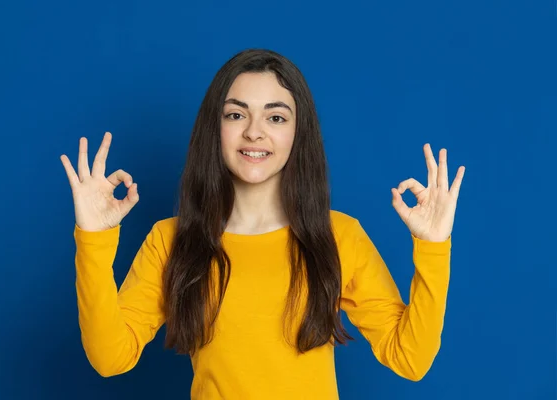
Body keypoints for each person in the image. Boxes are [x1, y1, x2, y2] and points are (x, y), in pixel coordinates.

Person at [60, 48, 465, 399]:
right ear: (214, 128)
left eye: (276, 118)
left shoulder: (339, 237)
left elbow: (409, 358)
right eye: (236, 114)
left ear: (297, 133)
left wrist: (433, 246)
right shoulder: (171, 241)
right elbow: (110, 357)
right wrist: (93, 241)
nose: (254, 132)